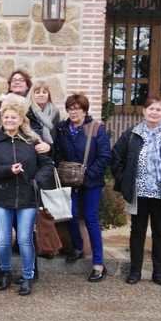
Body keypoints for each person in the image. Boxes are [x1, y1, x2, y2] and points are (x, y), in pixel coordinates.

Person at [111, 97, 161, 286]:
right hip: (138, 193)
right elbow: (116, 157)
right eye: (151, 108)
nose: (154, 112)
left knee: (160, 233)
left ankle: (158, 274)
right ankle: (135, 272)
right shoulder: (131, 134)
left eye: (158, 109)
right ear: (144, 111)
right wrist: (124, 181)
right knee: (137, 232)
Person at [0, 94, 54, 296]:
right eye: (6, 118)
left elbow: (47, 165)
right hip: (2, 199)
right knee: (3, 240)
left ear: (21, 120)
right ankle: (4, 273)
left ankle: (28, 276)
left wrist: (36, 181)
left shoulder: (32, 141)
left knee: (24, 239)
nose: (9, 121)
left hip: (27, 199)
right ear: (1, 120)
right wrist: (7, 170)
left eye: (13, 117)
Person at [54, 94, 111, 282]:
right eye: (70, 108)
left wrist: (87, 175)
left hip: (91, 183)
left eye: (77, 108)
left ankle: (98, 264)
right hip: (69, 181)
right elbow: (57, 153)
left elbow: (104, 156)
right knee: (69, 215)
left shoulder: (96, 129)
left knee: (91, 219)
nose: (73, 112)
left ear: (84, 110)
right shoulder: (62, 129)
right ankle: (78, 248)